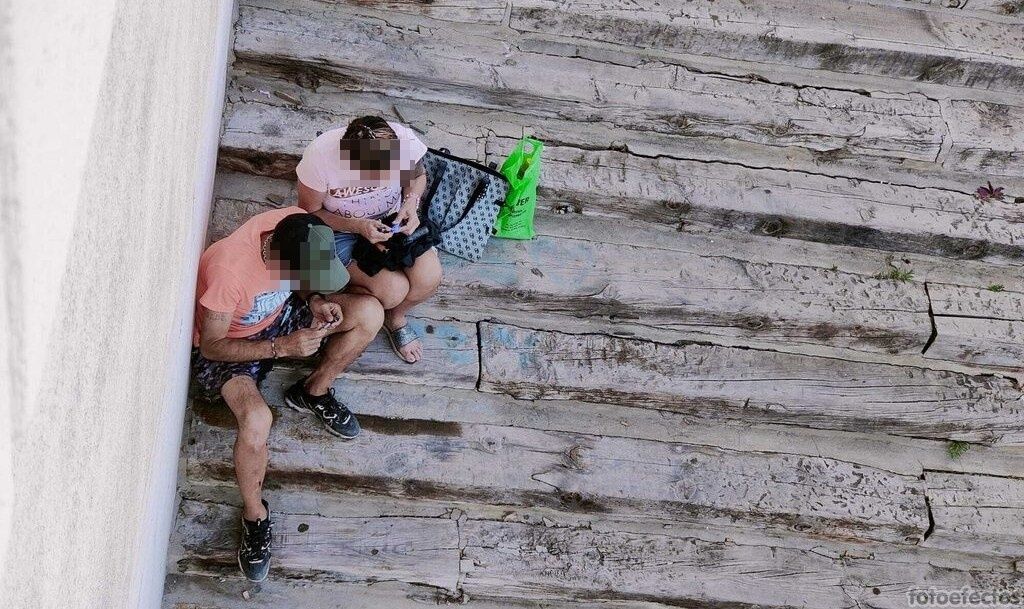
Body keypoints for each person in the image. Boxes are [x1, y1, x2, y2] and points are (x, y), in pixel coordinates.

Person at [191, 208, 385, 582]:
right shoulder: (230, 275)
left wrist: (314, 300)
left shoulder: (296, 224)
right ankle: (254, 515)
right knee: (257, 419)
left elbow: (303, 283)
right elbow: (212, 346)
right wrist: (282, 348)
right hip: (233, 346)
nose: (318, 281)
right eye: (308, 276)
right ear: (282, 264)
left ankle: (313, 391)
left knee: (369, 312)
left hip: (278, 319)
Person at [295, 116, 443, 364]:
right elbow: (309, 214)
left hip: (391, 221)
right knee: (393, 290)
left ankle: (394, 318)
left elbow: (416, 178)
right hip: (340, 231)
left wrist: (410, 203)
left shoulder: (401, 141)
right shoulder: (320, 158)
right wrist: (358, 226)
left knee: (429, 276)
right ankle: (327, 298)